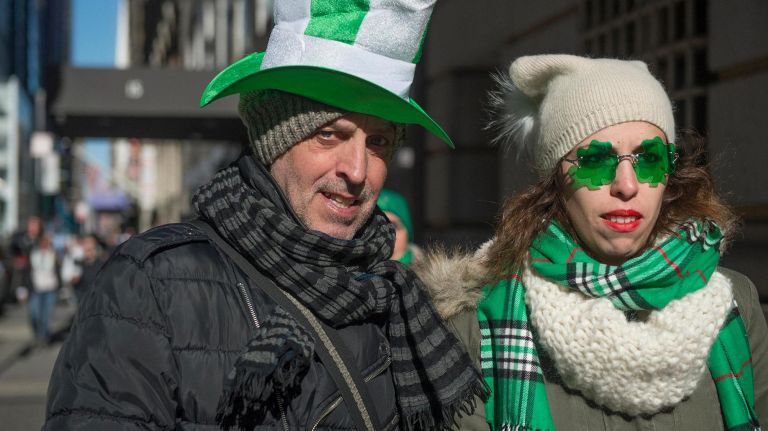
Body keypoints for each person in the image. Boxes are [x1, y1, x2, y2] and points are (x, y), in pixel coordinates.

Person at [44, 1, 487, 430]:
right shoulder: (149, 284)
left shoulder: (402, 298)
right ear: (274, 138)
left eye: (378, 143)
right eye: (330, 134)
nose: (357, 171)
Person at [418, 54, 768, 430]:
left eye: (649, 158)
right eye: (597, 160)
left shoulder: (734, 304)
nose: (627, 185)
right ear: (555, 181)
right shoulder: (476, 324)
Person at [28, 233, 61, 344]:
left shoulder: (53, 254)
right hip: (36, 289)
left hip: (50, 289)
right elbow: (28, 271)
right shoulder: (33, 254)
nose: (44, 244)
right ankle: (38, 332)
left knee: (46, 315)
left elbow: (59, 270)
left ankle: (44, 336)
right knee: (35, 314)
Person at [377, 188, 424, 265]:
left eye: (394, 226)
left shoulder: (431, 275)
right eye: (376, 227)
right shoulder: (352, 274)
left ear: (408, 233)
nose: (387, 237)